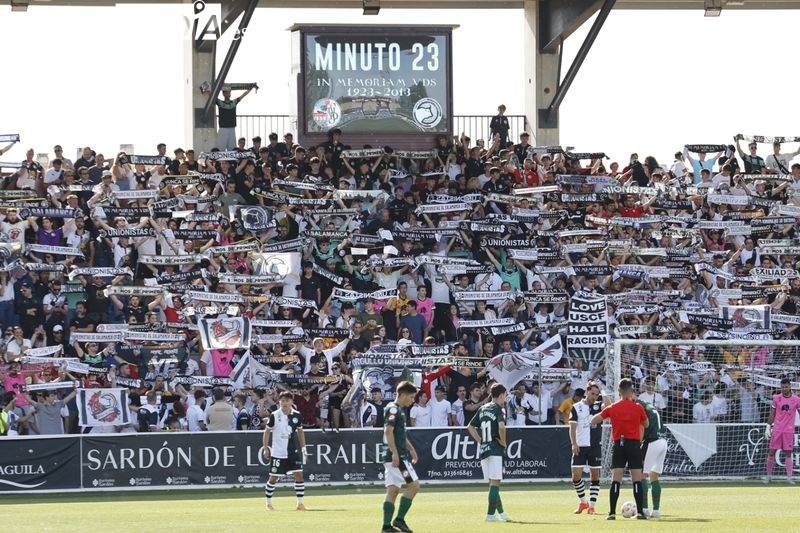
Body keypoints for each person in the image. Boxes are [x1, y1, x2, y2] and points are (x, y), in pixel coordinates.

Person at [591, 378, 648, 520]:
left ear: (619, 391)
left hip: (619, 445)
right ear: (631, 391)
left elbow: (595, 420)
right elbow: (646, 424)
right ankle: (640, 513)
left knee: (616, 479)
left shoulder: (613, 407)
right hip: (634, 445)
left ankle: (611, 513)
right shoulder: (638, 407)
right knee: (636, 479)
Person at [466, 382, 511, 523]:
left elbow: (470, 427)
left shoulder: (483, 407)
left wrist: (480, 441)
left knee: (492, 483)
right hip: (495, 449)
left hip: (484, 450)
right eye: (505, 396)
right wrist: (503, 442)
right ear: (501, 395)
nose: (505, 398)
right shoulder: (498, 409)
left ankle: (502, 513)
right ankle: (490, 516)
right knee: (495, 482)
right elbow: (501, 427)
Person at [380, 380, 420, 533]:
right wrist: (396, 453)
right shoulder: (393, 409)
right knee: (414, 486)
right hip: (397, 457)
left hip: (392, 456)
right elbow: (388, 431)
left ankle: (386, 526)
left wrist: (412, 449)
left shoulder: (399, 410)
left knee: (393, 491)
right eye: (411, 397)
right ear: (402, 395)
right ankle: (399, 519)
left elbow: (400, 435)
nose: (412, 401)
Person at [262, 390, 309, 511]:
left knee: (299, 475)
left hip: (292, 452)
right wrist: (265, 448)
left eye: (287, 400)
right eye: (282, 401)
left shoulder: (296, 415)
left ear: (291, 402)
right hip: (278, 452)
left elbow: (300, 431)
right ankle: (268, 503)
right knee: (273, 478)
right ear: (279, 402)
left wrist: (303, 448)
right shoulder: (274, 415)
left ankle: (300, 504)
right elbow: (267, 431)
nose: (284, 403)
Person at [569, 381, 610, 515]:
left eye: (596, 394)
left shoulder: (598, 406)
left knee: (595, 476)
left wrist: (602, 391)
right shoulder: (576, 407)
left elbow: (609, 406)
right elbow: (572, 427)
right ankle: (583, 502)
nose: (594, 397)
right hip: (580, 445)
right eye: (592, 393)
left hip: (595, 446)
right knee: (576, 476)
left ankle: (592, 506)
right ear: (586, 392)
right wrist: (574, 444)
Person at [636, 391, 667, 518]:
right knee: (654, 476)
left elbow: (641, 427)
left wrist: (637, 444)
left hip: (652, 441)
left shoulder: (638, 406)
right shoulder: (649, 405)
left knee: (641, 475)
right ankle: (656, 510)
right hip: (663, 440)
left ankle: (644, 509)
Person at [764, 377, 800, 484]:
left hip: (789, 430)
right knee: (771, 452)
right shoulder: (776, 398)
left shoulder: (796, 399)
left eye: (786, 387)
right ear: (780, 387)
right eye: (783, 387)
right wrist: (768, 426)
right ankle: (768, 476)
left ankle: (789, 478)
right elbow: (772, 413)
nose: (784, 389)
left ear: (790, 387)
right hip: (777, 429)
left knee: (788, 453)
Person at [216, 84, 253, 150]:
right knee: (220, 149)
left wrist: (250, 89)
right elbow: (212, 96)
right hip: (223, 129)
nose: (228, 94)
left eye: (229, 92)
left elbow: (243, 95)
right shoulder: (220, 103)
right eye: (226, 93)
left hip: (232, 129)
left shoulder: (234, 102)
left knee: (232, 149)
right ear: (223, 94)